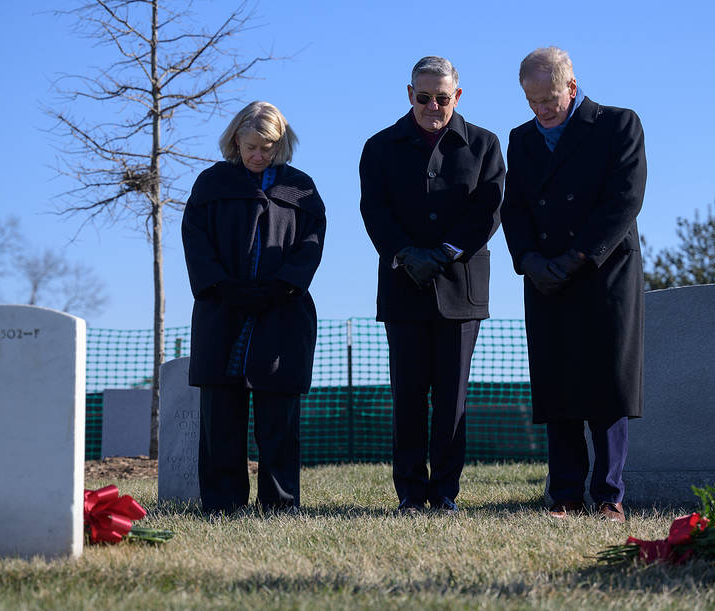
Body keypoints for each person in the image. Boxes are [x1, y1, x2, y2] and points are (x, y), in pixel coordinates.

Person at [501, 47, 647, 522]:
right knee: (558, 383)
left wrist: (577, 255)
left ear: (572, 85)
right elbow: (515, 207)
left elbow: (624, 199)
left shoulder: (617, 124)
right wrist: (527, 260)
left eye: (548, 99)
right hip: (546, 278)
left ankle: (609, 496)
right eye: (531, 101)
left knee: (606, 386)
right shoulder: (521, 140)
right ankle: (564, 493)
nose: (541, 110)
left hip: (603, 274)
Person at [360, 56, 505, 513]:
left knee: (451, 399)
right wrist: (405, 253)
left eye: (442, 98)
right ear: (410, 95)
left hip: (460, 290)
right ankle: (409, 493)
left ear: (456, 97)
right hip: (404, 287)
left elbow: (489, 208)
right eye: (424, 97)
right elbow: (374, 210)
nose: (433, 106)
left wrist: (444, 252)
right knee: (407, 396)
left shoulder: (484, 144)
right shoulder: (380, 147)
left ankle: (444, 493)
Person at [181, 101, 325, 514]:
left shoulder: (302, 189)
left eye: (267, 147)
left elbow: (311, 244)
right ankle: (222, 503)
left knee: (278, 420)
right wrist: (222, 287)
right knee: (221, 420)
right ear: (235, 142)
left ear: (281, 144)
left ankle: (280, 503)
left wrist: (283, 287)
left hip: (283, 313)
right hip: (221, 313)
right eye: (251, 148)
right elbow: (195, 239)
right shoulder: (211, 184)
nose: (259, 156)